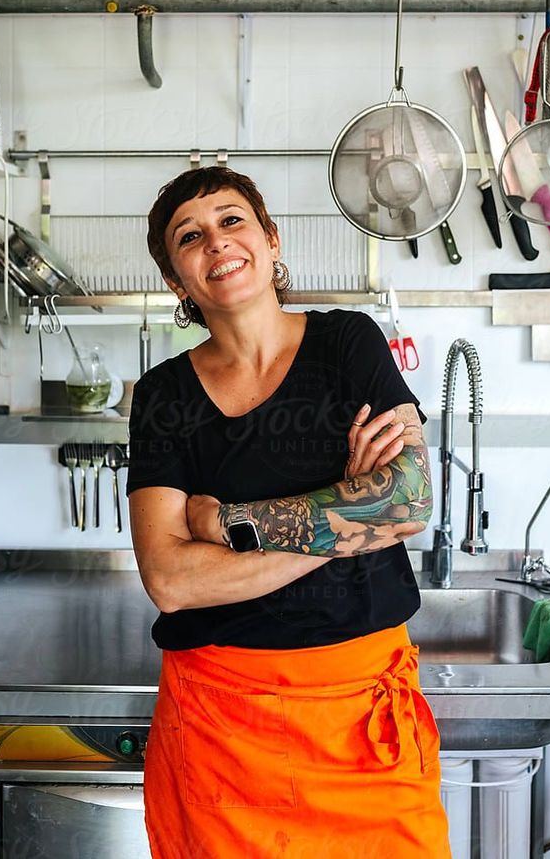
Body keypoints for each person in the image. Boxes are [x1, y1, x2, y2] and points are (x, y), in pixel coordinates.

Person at [127, 166, 451, 859]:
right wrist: (352, 516)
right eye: (190, 236)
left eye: (231, 219)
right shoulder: (163, 395)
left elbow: (409, 499)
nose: (216, 241)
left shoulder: (347, 344)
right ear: (176, 282)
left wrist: (226, 526)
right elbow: (172, 580)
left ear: (271, 241)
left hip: (360, 729)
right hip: (221, 733)